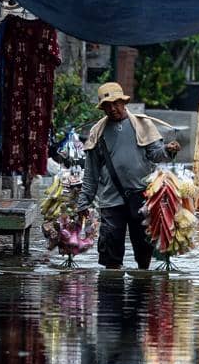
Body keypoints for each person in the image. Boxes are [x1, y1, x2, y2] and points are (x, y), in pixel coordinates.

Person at [77, 82, 180, 270]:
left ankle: (142, 284)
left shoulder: (143, 125)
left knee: (144, 251)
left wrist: (168, 150)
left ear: (124, 103)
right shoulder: (97, 132)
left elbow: (156, 154)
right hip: (110, 201)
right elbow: (91, 173)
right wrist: (84, 202)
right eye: (107, 105)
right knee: (111, 254)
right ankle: (112, 286)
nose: (112, 108)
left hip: (141, 197)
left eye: (116, 103)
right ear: (102, 108)